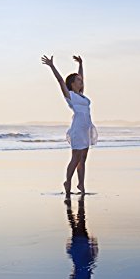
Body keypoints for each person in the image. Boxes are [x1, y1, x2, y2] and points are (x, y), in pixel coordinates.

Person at [41, 55, 98, 197]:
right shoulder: (70, 96)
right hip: (78, 130)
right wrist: (52, 66)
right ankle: (67, 182)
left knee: (83, 158)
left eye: (81, 80)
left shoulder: (82, 96)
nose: (81, 81)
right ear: (72, 84)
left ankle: (81, 184)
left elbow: (82, 76)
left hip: (86, 129)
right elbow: (60, 80)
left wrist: (81, 64)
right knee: (76, 157)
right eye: (78, 80)